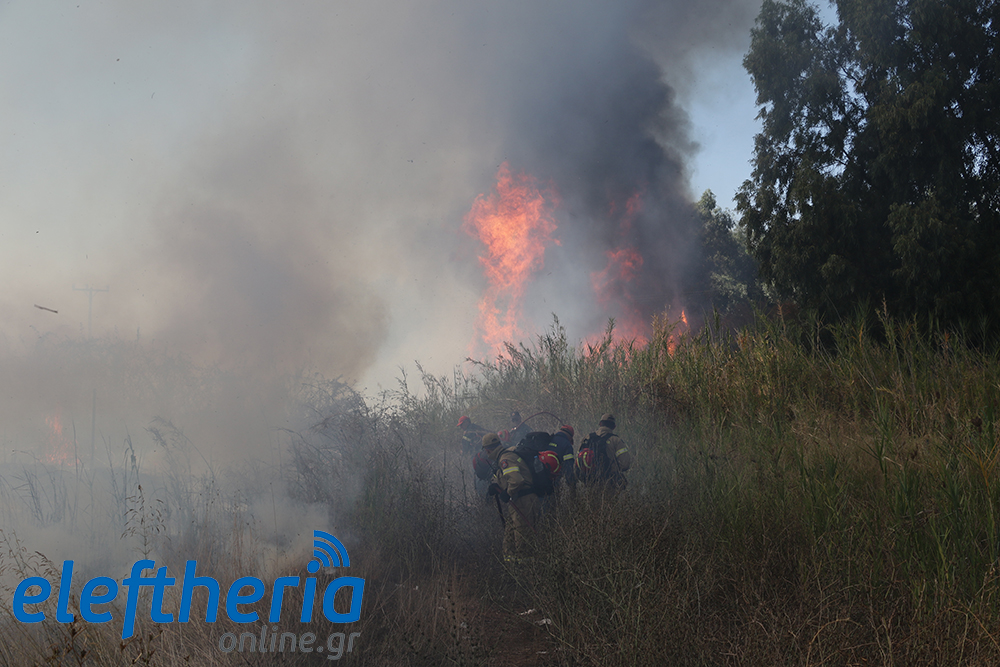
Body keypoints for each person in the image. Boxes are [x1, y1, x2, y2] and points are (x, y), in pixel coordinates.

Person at [483, 432, 541, 563]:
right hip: (518, 502)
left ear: (488, 450)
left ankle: (526, 569)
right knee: (509, 541)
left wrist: (507, 493)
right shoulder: (504, 457)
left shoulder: (505, 459)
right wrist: (496, 486)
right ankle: (512, 568)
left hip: (524, 502)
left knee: (523, 540)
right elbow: (507, 478)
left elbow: (516, 481)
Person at [578, 413, 632, 494]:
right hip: (608, 484)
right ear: (614, 427)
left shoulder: (587, 438)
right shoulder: (616, 440)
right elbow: (625, 464)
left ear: (600, 423)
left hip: (588, 483)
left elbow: (578, 460)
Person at [549, 425, 577, 494]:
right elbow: (568, 467)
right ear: (570, 437)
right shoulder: (567, 445)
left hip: (539, 478)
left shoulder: (549, 438)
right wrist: (572, 486)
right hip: (554, 481)